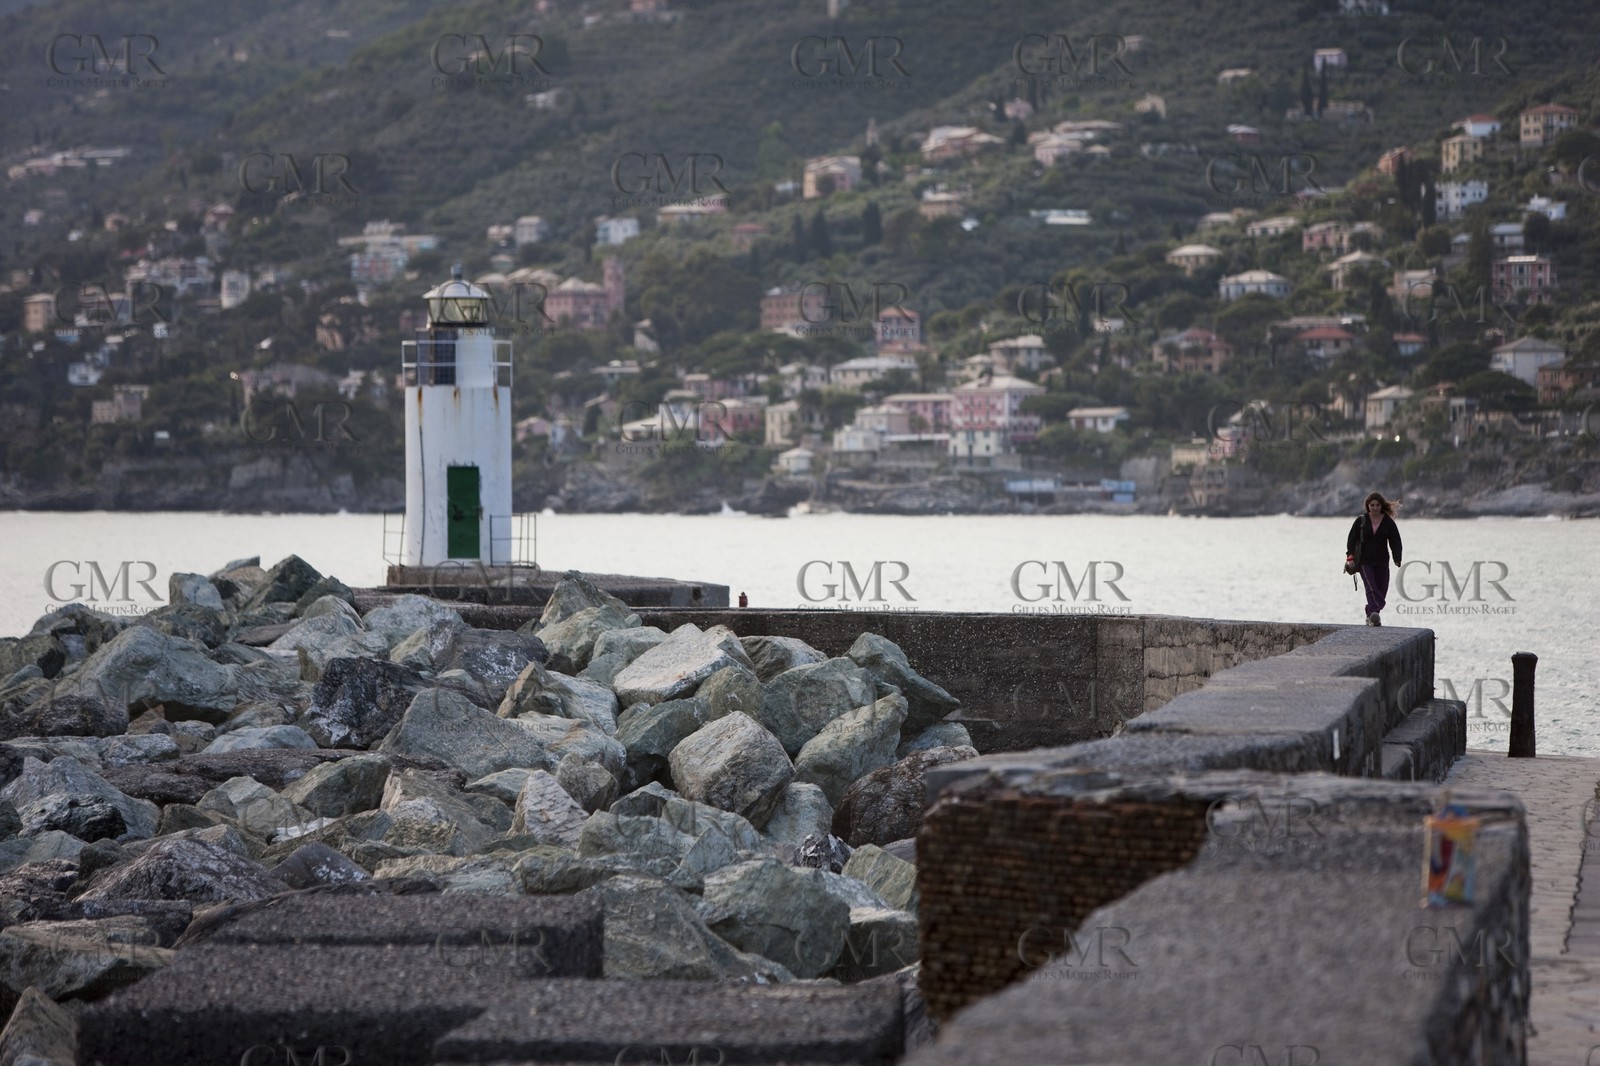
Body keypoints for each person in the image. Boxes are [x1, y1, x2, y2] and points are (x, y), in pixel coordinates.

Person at [1346, 492, 1402, 626]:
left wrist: (1397, 557)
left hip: (1382, 561)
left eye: (1377, 505)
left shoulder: (1388, 522)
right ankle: (1374, 615)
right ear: (1368, 506)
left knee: (1382, 590)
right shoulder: (1361, 521)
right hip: (1365, 562)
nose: (1375, 508)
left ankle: (1370, 611)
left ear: (1381, 506)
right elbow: (1351, 540)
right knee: (1371, 586)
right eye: (1372, 505)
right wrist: (1350, 557)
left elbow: (1395, 541)